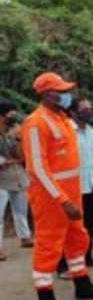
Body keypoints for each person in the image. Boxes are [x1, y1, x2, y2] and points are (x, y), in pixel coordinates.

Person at [22, 72, 93, 300]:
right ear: (46, 95)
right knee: (48, 246)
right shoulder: (35, 123)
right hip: (52, 199)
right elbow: (37, 168)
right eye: (60, 91)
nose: (65, 95)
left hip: (72, 194)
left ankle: (82, 284)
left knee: (77, 238)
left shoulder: (62, 118)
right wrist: (62, 200)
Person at [72, 99, 93, 267]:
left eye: (90, 109)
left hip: (92, 184)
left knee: (91, 223)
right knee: (73, 227)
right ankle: (64, 264)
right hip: (75, 187)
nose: (89, 112)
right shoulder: (69, 132)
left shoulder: (91, 131)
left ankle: (87, 256)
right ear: (73, 112)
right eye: (84, 109)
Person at [0, 100, 32, 261]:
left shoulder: (13, 130)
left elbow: (21, 155)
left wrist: (19, 138)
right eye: (10, 113)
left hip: (16, 175)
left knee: (21, 209)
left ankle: (25, 237)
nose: (13, 116)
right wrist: (6, 161)